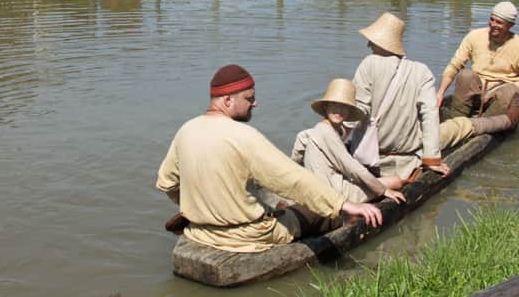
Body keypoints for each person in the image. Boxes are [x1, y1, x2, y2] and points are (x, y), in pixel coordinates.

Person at [156, 64, 384, 253]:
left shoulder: (186, 130)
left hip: (201, 231)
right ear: (227, 101)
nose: (255, 103)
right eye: (249, 98)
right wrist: (344, 204)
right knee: (317, 213)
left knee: (269, 196)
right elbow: (293, 179)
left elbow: (167, 183)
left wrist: (199, 208)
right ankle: (347, 234)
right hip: (248, 237)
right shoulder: (245, 136)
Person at [349, 13, 451, 179]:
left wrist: (332, 134)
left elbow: (358, 110)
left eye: (372, 41)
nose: (368, 45)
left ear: (381, 43)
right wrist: (432, 159)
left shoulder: (369, 64)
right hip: (407, 165)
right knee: (459, 128)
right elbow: (430, 115)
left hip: (367, 161)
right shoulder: (422, 71)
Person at [436, 2, 519, 149]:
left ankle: (477, 129)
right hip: (478, 92)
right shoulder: (475, 36)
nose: (493, 24)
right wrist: (440, 93)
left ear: (510, 25)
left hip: (502, 98)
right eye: (491, 19)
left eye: (499, 22)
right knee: (465, 76)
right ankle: (454, 123)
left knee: (510, 91)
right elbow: (454, 65)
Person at [291, 78, 407, 205]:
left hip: (326, 186)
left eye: (344, 107)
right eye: (334, 105)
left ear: (349, 111)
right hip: (335, 193)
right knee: (396, 181)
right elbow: (354, 169)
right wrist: (383, 190)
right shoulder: (326, 132)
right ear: (326, 106)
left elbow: (299, 145)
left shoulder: (317, 130)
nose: (339, 111)